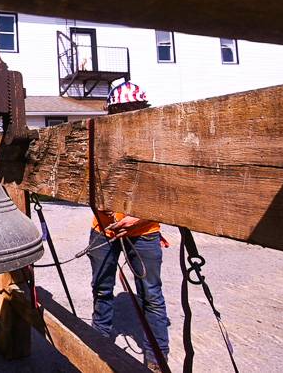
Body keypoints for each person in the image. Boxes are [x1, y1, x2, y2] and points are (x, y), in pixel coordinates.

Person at [88, 82, 170, 371]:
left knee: (151, 296)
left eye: (130, 111)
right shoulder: (101, 144)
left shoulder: (156, 146)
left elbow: (167, 193)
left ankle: (157, 355)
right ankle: (98, 343)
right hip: (104, 228)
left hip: (143, 231)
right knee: (101, 288)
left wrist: (140, 217)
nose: (124, 116)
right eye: (119, 111)